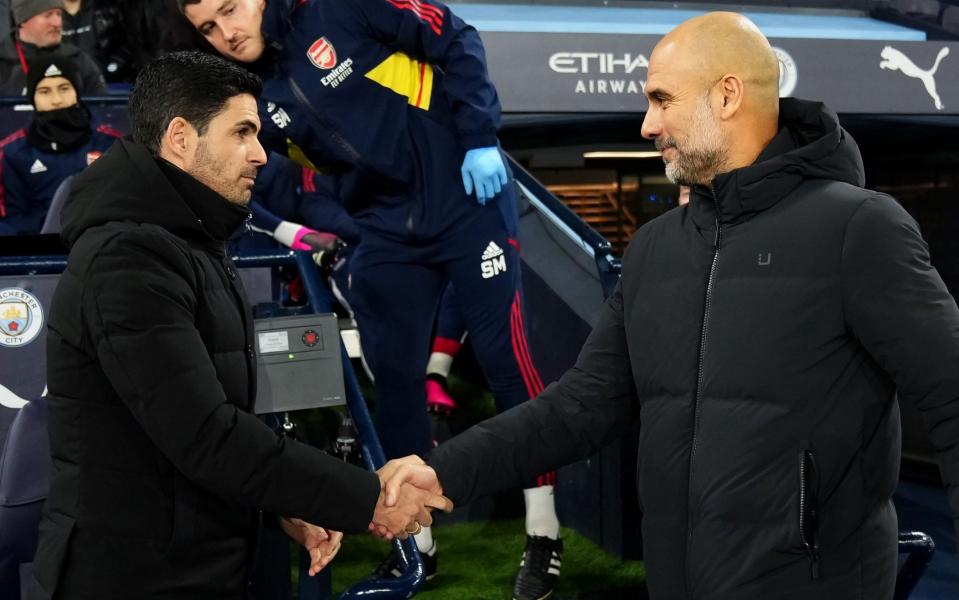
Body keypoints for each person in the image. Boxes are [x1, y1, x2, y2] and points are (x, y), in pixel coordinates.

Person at [378, 12, 959, 600]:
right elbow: (579, 406)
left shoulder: (858, 228)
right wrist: (443, 470)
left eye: (661, 99)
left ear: (727, 94)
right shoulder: (657, 247)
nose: (648, 124)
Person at [29, 50, 449, 599]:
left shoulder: (186, 240)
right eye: (242, 132)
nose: (260, 154)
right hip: (136, 577)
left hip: (190, 561)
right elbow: (205, 435)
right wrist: (367, 497)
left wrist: (278, 507)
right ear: (181, 137)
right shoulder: (128, 258)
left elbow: (197, 437)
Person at [179, 1, 563, 596]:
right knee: (395, 381)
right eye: (207, 26)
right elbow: (252, 173)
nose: (225, 32)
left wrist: (480, 137)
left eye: (230, 9)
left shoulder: (337, 8)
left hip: (464, 195)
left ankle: (544, 532)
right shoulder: (248, 91)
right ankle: (420, 546)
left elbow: (454, 36)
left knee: (503, 358)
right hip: (384, 231)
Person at [0, 54, 117, 234]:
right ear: (33, 98)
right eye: (44, 91)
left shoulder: (111, 143)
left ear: (77, 92)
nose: (57, 100)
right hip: (42, 251)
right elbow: (11, 221)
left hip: (101, 243)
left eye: (64, 88)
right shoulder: (12, 153)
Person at [0, 0, 105, 95]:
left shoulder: (78, 59)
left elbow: (101, 109)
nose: (57, 23)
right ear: (23, 20)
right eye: (48, 15)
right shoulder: (4, 61)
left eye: (59, 14)